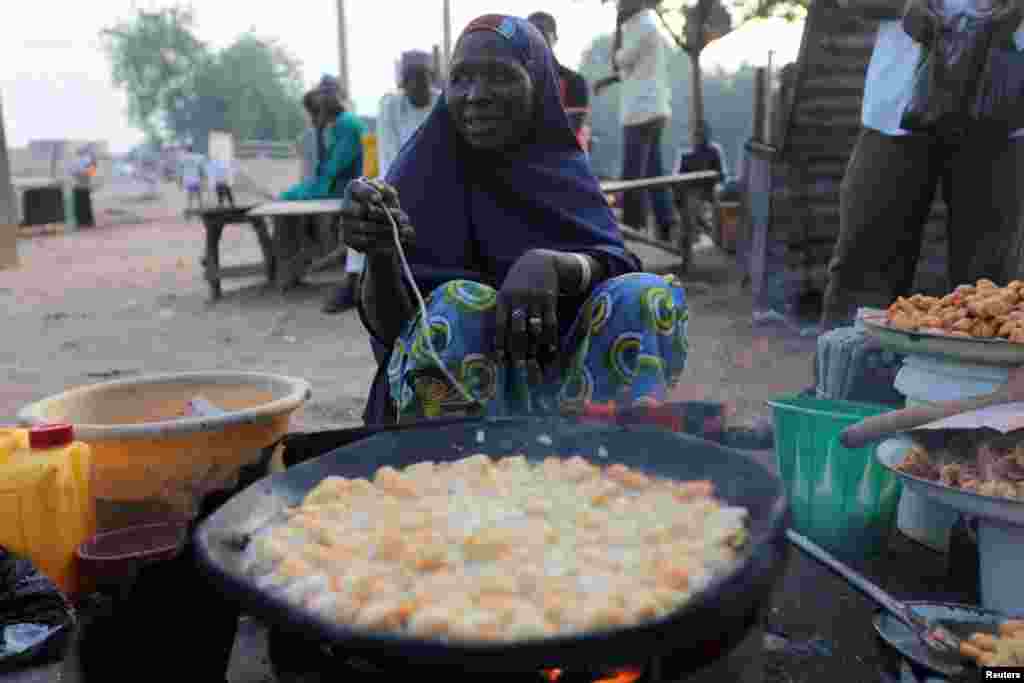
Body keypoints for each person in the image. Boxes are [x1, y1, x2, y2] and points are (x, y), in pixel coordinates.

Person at [341, 14, 689, 426]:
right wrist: (380, 256)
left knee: (644, 295)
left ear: (539, 84)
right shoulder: (416, 177)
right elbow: (391, 331)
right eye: (462, 78)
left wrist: (555, 265)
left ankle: (607, 462)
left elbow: (617, 264)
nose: (476, 95)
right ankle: (454, 473)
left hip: (572, 397)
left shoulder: (563, 171)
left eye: (500, 76)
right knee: (457, 307)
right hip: (454, 415)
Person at [820, 0, 1024, 330]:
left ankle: (977, 383)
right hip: (897, 108)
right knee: (864, 267)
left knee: (991, 286)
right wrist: (904, 7)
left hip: (1002, 105)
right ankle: (843, 380)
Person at [325, 52, 441, 316]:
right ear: (403, 81)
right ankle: (353, 279)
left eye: (422, 77)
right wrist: (395, 187)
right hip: (397, 178)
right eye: (410, 78)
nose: (416, 84)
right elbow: (389, 153)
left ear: (430, 78)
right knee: (365, 205)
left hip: (435, 179)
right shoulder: (390, 105)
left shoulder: (440, 103)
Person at [595, 0, 680, 241]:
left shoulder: (640, 26)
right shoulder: (647, 24)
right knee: (654, 172)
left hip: (640, 111)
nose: (619, 6)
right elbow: (630, 70)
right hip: (654, 108)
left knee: (632, 175)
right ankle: (665, 225)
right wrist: (609, 81)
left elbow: (618, 60)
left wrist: (617, 26)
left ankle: (632, 231)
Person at [279, 76, 365, 303]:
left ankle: (294, 264)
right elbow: (325, 168)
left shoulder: (347, 124)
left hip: (342, 186)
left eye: (328, 95)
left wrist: (319, 129)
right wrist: (318, 128)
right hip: (331, 184)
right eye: (322, 96)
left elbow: (335, 167)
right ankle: (293, 263)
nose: (324, 101)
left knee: (287, 199)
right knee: (288, 199)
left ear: (337, 97)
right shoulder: (335, 124)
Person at [527, 11, 592, 151]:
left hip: (566, 163)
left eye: (542, 32)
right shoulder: (517, 82)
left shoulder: (575, 81)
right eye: (530, 34)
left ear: (555, 38)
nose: (536, 39)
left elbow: (569, 132)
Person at [179, 145, 205, 214]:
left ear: (186, 150)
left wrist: (180, 181)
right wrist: (203, 177)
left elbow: (181, 170)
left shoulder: (183, 158)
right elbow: (200, 168)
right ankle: (201, 209)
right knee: (199, 196)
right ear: (192, 149)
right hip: (196, 179)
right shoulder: (197, 157)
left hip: (187, 179)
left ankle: (189, 210)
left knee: (189, 196)